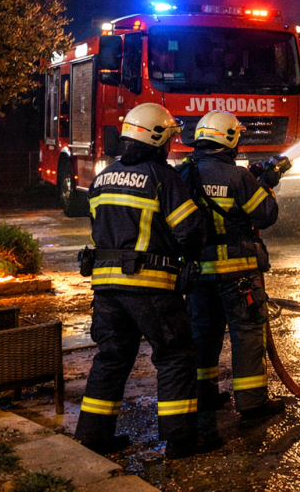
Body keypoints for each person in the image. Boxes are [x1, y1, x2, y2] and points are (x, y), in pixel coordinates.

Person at [74, 103, 208, 459]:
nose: (170, 147)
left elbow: (101, 225)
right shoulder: (162, 177)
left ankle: (92, 436)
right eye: (168, 140)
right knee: (175, 354)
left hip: (105, 288)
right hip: (149, 286)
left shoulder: (102, 177)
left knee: (112, 357)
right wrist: (191, 257)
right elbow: (190, 230)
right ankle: (180, 440)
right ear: (158, 138)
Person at [181, 110, 286, 433]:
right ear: (229, 139)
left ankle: (204, 395)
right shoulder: (239, 178)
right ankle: (252, 401)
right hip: (238, 273)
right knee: (247, 333)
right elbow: (265, 215)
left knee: (202, 335)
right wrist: (266, 184)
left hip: (199, 274)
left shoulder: (183, 173)